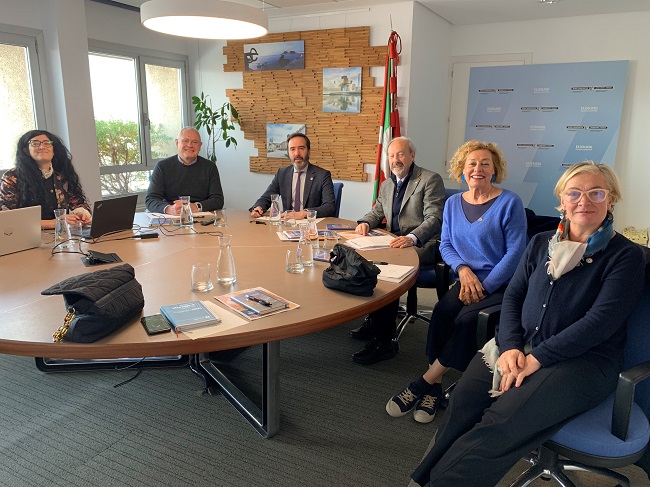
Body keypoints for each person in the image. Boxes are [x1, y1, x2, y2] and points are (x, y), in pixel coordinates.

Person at [411, 161, 646, 487]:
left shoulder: (625, 256)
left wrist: (536, 358)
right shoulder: (541, 243)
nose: (584, 201)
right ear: (562, 200)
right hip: (519, 345)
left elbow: (598, 323)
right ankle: (421, 480)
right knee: (461, 404)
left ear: (611, 199)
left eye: (596, 193)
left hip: (582, 361)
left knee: (499, 422)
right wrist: (509, 347)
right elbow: (513, 297)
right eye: (574, 193)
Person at [385, 140, 527, 422]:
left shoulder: (510, 202)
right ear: (462, 169)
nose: (478, 169)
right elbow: (447, 244)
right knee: (441, 313)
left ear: (495, 169)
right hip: (465, 279)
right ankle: (436, 387)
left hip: (500, 284)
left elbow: (515, 253)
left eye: (485, 164)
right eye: (471, 163)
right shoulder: (452, 204)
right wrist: (462, 270)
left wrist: (485, 286)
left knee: (465, 322)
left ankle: (424, 382)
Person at [351, 136, 445, 365]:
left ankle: (385, 342)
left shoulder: (429, 179)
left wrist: (412, 238)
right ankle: (374, 321)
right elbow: (377, 212)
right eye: (392, 155)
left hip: (424, 243)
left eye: (401, 154)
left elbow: (435, 218)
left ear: (412, 155)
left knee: (386, 272)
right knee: (362, 260)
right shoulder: (388, 183)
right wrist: (364, 223)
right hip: (393, 242)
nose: (396, 160)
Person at [0, 130, 92, 230]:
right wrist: (53, 223)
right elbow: (5, 217)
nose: (42, 147)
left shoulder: (62, 174)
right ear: (26, 150)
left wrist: (80, 214)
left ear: (54, 150)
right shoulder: (12, 177)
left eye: (47, 143)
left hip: (61, 234)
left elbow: (78, 202)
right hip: (27, 235)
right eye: (35, 143)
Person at [250, 133, 335, 219]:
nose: (297, 153)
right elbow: (267, 197)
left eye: (301, 148)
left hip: (310, 224)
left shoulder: (322, 175)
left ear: (308, 151)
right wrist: (259, 207)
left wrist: (304, 213)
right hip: (287, 223)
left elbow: (329, 207)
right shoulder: (282, 174)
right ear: (288, 153)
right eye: (292, 149)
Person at [145, 127, 224, 215]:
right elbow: (151, 199)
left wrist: (196, 206)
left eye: (195, 142)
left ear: (200, 146)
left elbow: (218, 200)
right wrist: (170, 209)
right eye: (185, 141)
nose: (190, 145)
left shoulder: (210, 167)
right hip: (171, 217)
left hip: (201, 216)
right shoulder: (162, 166)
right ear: (177, 143)